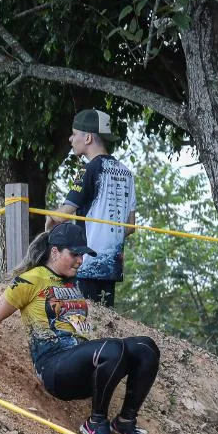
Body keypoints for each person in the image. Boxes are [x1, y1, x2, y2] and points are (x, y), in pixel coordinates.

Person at [0, 222, 160, 434]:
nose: (80, 260)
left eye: (83, 254)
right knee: (112, 348)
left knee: (145, 347)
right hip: (54, 369)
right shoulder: (31, 279)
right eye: (75, 254)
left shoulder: (72, 283)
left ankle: (125, 422)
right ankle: (95, 423)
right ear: (55, 252)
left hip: (80, 365)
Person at [45, 109, 136, 307]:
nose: (70, 139)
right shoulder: (127, 173)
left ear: (87, 138)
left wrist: (50, 218)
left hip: (84, 264)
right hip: (112, 266)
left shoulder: (88, 169)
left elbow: (63, 216)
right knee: (104, 323)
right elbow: (130, 227)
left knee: (81, 322)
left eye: (74, 133)